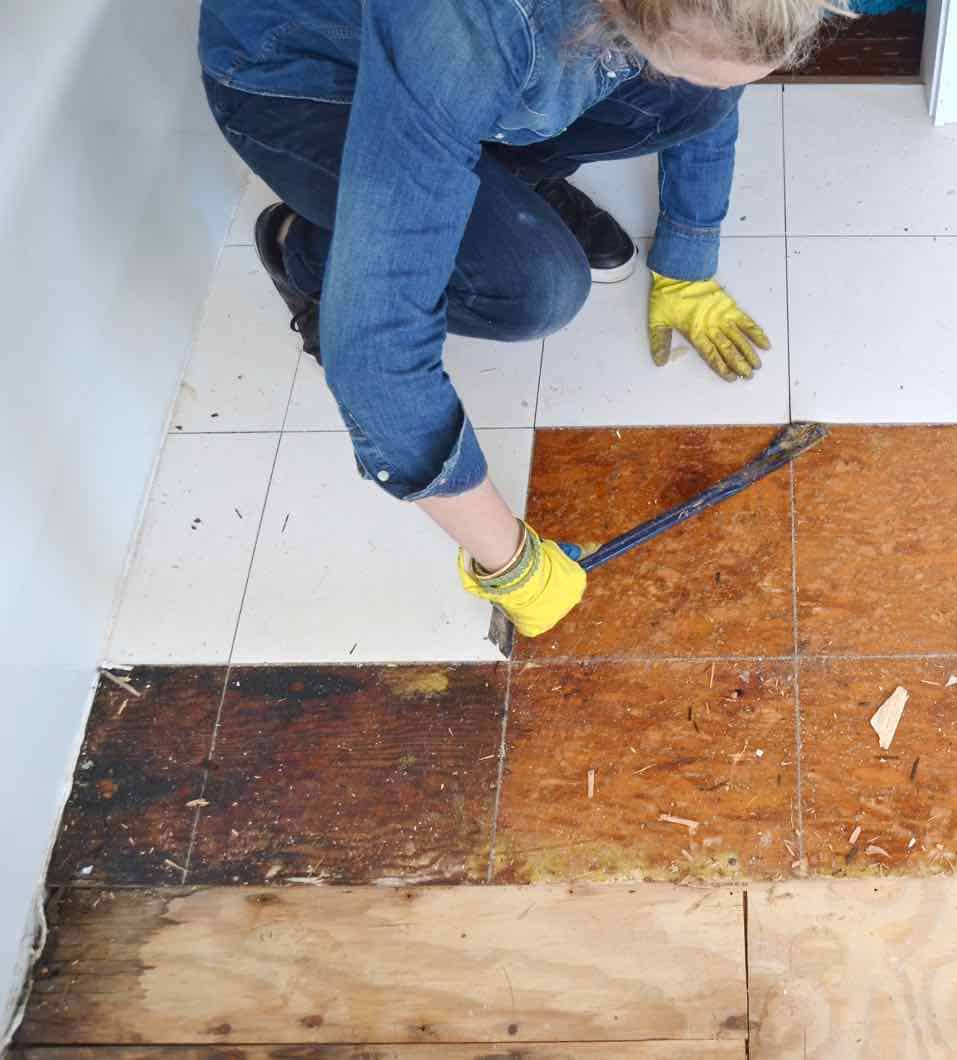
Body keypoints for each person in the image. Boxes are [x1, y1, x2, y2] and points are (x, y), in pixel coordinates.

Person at [197, 0, 843, 639]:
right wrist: (509, 563)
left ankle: (502, 188)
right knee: (536, 286)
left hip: (465, 74)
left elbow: (719, 80)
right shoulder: (466, 26)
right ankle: (300, 250)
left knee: (690, 98)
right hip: (304, 80)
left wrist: (688, 253)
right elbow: (376, 360)